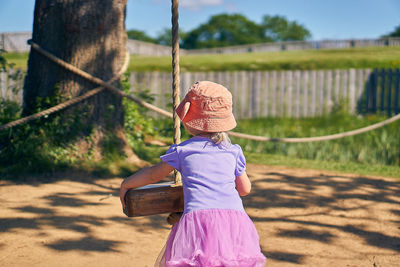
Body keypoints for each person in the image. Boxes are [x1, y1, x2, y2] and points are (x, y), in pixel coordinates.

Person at [120, 81, 266, 267]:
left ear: (190, 120)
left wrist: (127, 184)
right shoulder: (233, 151)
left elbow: (152, 175)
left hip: (198, 220)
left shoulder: (183, 151)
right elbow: (245, 189)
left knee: (196, 262)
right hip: (234, 220)